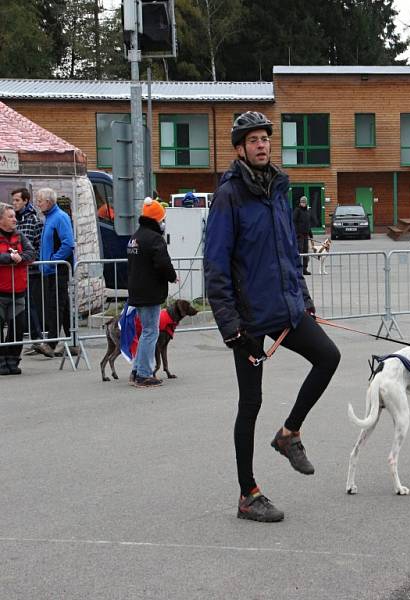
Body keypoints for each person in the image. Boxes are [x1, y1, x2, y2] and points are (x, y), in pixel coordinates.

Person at [204, 111, 341, 523]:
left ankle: (289, 433)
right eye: (253, 140)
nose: (261, 145)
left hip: (286, 308)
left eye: (265, 138)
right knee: (251, 403)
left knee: (328, 357)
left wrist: (304, 299)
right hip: (248, 321)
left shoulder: (278, 190)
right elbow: (216, 266)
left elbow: (287, 255)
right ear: (240, 148)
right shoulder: (229, 195)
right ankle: (248, 494)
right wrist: (231, 329)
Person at [127, 198, 177, 388]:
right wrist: (172, 277)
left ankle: (137, 370)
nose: (164, 223)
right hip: (150, 291)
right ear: (157, 220)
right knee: (150, 332)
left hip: (137, 290)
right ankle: (144, 373)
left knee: (146, 332)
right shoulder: (154, 239)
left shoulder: (135, 237)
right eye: (162, 219)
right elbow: (163, 263)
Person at [11, 188, 51, 357]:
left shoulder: (32, 219)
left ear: (26, 201)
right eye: (13, 200)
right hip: (17, 268)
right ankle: (33, 339)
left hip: (29, 268)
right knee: (23, 305)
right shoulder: (16, 218)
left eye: (17, 200)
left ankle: (37, 339)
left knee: (28, 304)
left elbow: (30, 244)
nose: (14, 203)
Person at [35, 188, 75, 355]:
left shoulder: (59, 217)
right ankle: (74, 342)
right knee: (62, 305)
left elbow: (68, 243)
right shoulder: (51, 217)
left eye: (40, 201)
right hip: (52, 269)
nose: (38, 204)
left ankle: (51, 343)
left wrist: (52, 261)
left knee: (56, 305)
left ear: (49, 202)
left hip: (58, 269)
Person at [0, 204, 36, 375]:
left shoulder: (20, 236)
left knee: (17, 328)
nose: (15, 219)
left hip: (18, 291)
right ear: (1, 220)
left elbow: (31, 253)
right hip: (1, 292)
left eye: (14, 216)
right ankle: (1, 362)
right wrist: (8, 258)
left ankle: (13, 360)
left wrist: (20, 258)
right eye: (10, 216)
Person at [292, 195, 313, 276]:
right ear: (300, 203)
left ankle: (304, 269)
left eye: (304, 202)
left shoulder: (307, 212)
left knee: (305, 252)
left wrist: (310, 233)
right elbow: (294, 222)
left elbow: (308, 223)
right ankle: (297, 269)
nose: (303, 203)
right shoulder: (297, 210)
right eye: (302, 202)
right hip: (299, 235)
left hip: (305, 235)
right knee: (299, 252)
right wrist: (296, 233)